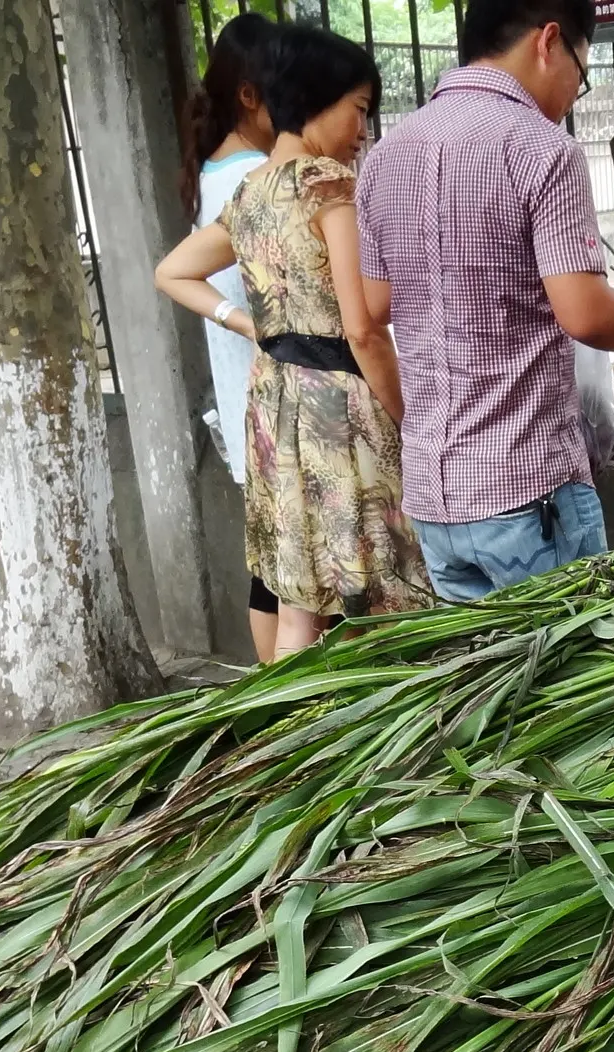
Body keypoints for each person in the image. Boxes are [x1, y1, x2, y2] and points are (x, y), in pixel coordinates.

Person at [355, 0, 614, 601]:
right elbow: (584, 311)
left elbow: (376, 305)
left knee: (484, 680)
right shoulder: (543, 150)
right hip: (528, 494)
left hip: (432, 499)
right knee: (570, 685)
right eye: (582, 68)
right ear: (549, 41)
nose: (578, 90)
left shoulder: (386, 156)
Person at [156, 24, 428, 652]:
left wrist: (253, 325)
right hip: (342, 409)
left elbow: (170, 271)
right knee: (379, 600)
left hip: (273, 405)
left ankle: (294, 740)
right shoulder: (327, 187)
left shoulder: (249, 191)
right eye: (358, 111)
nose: (363, 131)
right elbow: (362, 329)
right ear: (316, 98)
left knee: (299, 603)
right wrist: (407, 420)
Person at [182, 12, 284, 659]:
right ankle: (292, 704)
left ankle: (281, 701)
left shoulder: (213, 176)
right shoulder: (256, 182)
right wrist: (247, 321)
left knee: (274, 571)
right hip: (277, 405)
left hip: (248, 404)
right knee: (289, 577)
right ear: (249, 95)